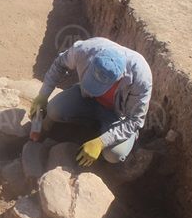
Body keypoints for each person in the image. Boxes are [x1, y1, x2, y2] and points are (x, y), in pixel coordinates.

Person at [30, 37, 152, 166]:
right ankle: (90, 126)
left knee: (114, 154)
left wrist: (101, 142)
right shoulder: (85, 50)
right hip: (86, 99)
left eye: (100, 86)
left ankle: (104, 135)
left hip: (116, 115)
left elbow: (135, 120)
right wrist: (43, 95)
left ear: (120, 78)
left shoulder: (140, 78)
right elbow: (59, 64)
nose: (96, 88)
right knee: (54, 110)